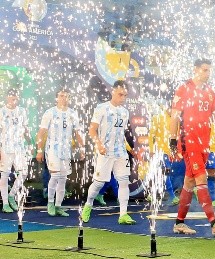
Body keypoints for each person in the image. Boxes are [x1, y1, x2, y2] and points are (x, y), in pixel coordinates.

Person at [169, 58, 215, 236]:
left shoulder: (210, 92)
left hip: (204, 142)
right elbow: (175, 115)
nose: (207, 74)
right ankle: (213, 222)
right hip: (189, 140)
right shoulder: (184, 88)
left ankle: (179, 222)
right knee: (201, 178)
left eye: (209, 70)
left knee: (189, 182)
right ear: (195, 70)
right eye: (204, 70)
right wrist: (173, 139)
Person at [81, 80, 137, 225]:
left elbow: (122, 134)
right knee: (99, 183)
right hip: (105, 152)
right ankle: (88, 205)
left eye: (125, 95)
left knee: (124, 181)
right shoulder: (102, 108)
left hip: (120, 152)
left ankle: (123, 214)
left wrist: (130, 150)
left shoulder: (125, 112)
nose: (123, 98)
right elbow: (92, 130)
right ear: (113, 91)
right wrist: (99, 144)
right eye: (120, 94)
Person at [35, 89, 85, 217]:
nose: (64, 98)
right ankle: (50, 203)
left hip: (66, 150)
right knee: (55, 176)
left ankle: (58, 206)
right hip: (52, 149)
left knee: (63, 179)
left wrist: (82, 148)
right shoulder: (50, 113)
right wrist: (39, 150)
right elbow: (41, 133)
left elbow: (77, 133)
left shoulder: (72, 114)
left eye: (67, 96)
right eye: (61, 96)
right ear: (56, 98)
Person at [0, 89, 32, 213]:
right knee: (4, 174)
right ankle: (5, 203)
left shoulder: (22, 111)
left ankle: (12, 195)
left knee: (23, 172)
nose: (14, 100)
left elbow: (25, 128)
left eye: (16, 98)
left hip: (19, 147)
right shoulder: (2, 111)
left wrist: (30, 142)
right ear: (7, 98)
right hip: (5, 147)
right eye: (12, 98)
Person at [148, 105, 180, 205]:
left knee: (160, 173)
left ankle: (151, 193)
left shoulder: (176, 120)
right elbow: (151, 135)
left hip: (169, 152)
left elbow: (176, 137)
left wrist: (176, 151)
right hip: (160, 151)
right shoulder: (158, 118)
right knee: (166, 171)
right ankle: (172, 196)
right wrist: (152, 149)